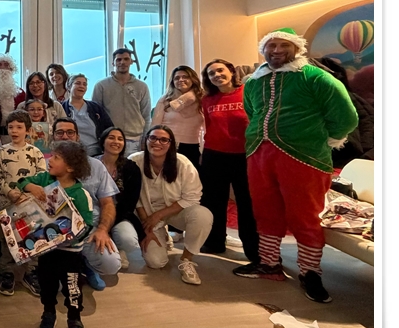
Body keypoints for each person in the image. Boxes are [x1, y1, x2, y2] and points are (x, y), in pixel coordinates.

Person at [235, 28, 358, 303]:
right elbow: (251, 112)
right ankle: (269, 263)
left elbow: (347, 117)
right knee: (265, 210)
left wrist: (324, 140)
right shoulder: (253, 82)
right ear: (263, 50)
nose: (277, 50)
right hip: (259, 154)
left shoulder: (315, 77)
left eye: (284, 45)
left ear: (297, 48)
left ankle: (310, 272)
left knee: (305, 215)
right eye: (271, 45)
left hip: (304, 156)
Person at [18, 141, 119, 328]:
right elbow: (21, 181)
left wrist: (68, 237)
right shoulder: (45, 179)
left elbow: (87, 225)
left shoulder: (81, 194)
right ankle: (48, 314)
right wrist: (32, 187)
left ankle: (75, 320)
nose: (50, 160)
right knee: (47, 285)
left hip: (70, 253)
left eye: (56, 158)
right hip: (46, 250)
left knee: (73, 289)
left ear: (70, 167)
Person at [43, 118, 122, 291]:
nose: (65, 136)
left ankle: (86, 265)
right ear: (53, 137)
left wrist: (103, 230)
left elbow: (108, 203)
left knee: (111, 265)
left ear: (78, 137)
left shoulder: (96, 166)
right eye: (60, 133)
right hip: (52, 230)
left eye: (70, 132)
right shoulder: (45, 164)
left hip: (88, 229)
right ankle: (68, 266)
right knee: (52, 286)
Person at [129, 125, 213, 285]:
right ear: (146, 140)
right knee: (156, 262)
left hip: (175, 212)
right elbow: (132, 197)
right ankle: (162, 233)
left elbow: (193, 197)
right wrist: (145, 227)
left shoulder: (183, 163)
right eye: (153, 138)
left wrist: (159, 215)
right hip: (147, 214)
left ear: (171, 144)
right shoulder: (134, 161)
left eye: (163, 140)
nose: (157, 142)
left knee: (203, 216)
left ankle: (186, 260)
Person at [197, 59, 257, 259]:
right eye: (211, 73)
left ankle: (253, 250)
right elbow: (209, 127)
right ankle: (215, 242)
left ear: (231, 71)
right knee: (213, 201)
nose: (217, 75)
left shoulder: (247, 92)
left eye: (220, 70)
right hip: (214, 155)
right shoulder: (207, 100)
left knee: (247, 202)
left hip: (244, 155)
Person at [0, 110, 46, 297]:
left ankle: (31, 271)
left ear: (28, 130)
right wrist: (9, 192)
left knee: (32, 236)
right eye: (11, 127)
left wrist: (27, 194)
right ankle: (7, 271)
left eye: (19, 127)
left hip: (29, 204)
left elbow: (41, 176)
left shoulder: (35, 152)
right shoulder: (1, 151)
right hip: (7, 204)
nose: (14, 131)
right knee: (8, 238)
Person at [94, 127, 144, 271]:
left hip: (119, 215)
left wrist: (108, 223)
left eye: (120, 139)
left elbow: (129, 203)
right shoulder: (91, 163)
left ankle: (119, 248)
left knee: (128, 240)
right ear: (103, 141)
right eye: (111, 137)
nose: (116, 141)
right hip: (93, 213)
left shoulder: (131, 168)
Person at [91, 48, 151, 158]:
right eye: (118, 60)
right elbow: (95, 115)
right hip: (111, 139)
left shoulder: (142, 87)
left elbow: (146, 116)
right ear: (113, 63)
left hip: (135, 140)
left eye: (126, 59)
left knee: (132, 168)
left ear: (131, 61)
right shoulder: (101, 86)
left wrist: (145, 139)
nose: (122, 62)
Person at [151, 66, 204, 170]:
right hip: (167, 146)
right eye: (177, 78)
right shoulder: (165, 100)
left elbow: (206, 128)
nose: (181, 80)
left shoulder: (202, 100)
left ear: (193, 79)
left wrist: (204, 150)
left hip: (192, 147)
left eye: (185, 77)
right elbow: (155, 126)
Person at [61, 74, 114, 157]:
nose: (81, 86)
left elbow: (109, 128)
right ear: (69, 87)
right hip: (70, 153)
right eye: (78, 83)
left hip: (96, 153)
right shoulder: (61, 107)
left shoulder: (95, 107)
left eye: (84, 84)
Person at [0, 53, 26, 130]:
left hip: (15, 132)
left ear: (12, 69)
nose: (3, 68)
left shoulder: (21, 93)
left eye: (6, 65)